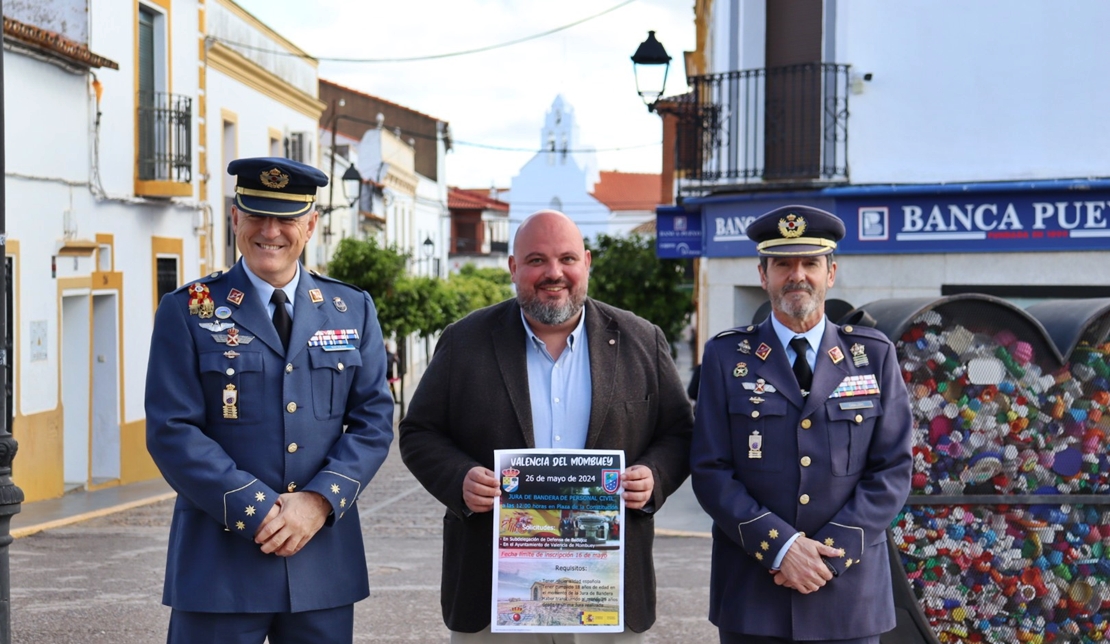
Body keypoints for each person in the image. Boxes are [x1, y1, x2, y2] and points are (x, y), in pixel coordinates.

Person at [398, 210, 693, 643]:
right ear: (514, 267)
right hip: (496, 595)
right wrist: (459, 478)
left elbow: (679, 433)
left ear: (587, 264)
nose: (554, 273)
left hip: (606, 595)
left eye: (567, 259)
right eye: (536, 260)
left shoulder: (641, 340)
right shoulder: (464, 342)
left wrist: (655, 476)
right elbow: (418, 432)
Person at [145, 157, 395, 644]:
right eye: (256, 215)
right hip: (219, 568)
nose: (270, 232)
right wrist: (259, 510)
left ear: (312, 224)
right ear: (235, 218)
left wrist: (318, 503)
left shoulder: (352, 308)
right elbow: (171, 429)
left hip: (319, 565)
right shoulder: (188, 310)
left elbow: (374, 421)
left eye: (286, 218)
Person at [689, 205, 913, 644]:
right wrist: (781, 547)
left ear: (831, 273)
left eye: (810, 263)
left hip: (848, 599)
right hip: (755, 595)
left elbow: (892, 468)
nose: (798, 275)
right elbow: (710, 469)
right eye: (783, 264)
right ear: (763, 274)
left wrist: (828, 555)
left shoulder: (873, 355)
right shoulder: (726, 356)